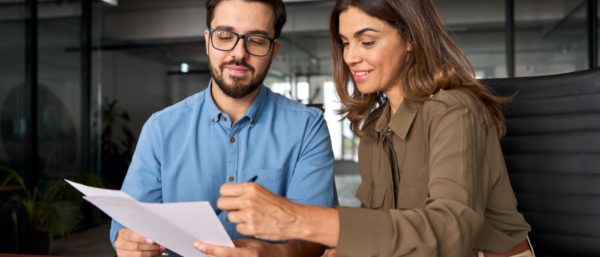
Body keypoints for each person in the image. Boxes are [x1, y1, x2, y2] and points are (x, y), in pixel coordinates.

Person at [198, 0, 534, 257]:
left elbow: (450, 231)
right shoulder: (375, 128)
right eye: (345, 42)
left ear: (410, 39)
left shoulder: (455, 111)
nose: (351, 57)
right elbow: (380, 224)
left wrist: (299, 219)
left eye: (367, 41)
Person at [110, 0, 338, 256]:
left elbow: (316, 237)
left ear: (274, 52)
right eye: (225, 36)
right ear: (208, 42)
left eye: (257, 40)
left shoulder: (308, 127)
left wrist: (274, 254)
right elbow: (129, 219)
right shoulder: (160, 129)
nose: (239, 53)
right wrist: (127, 238)